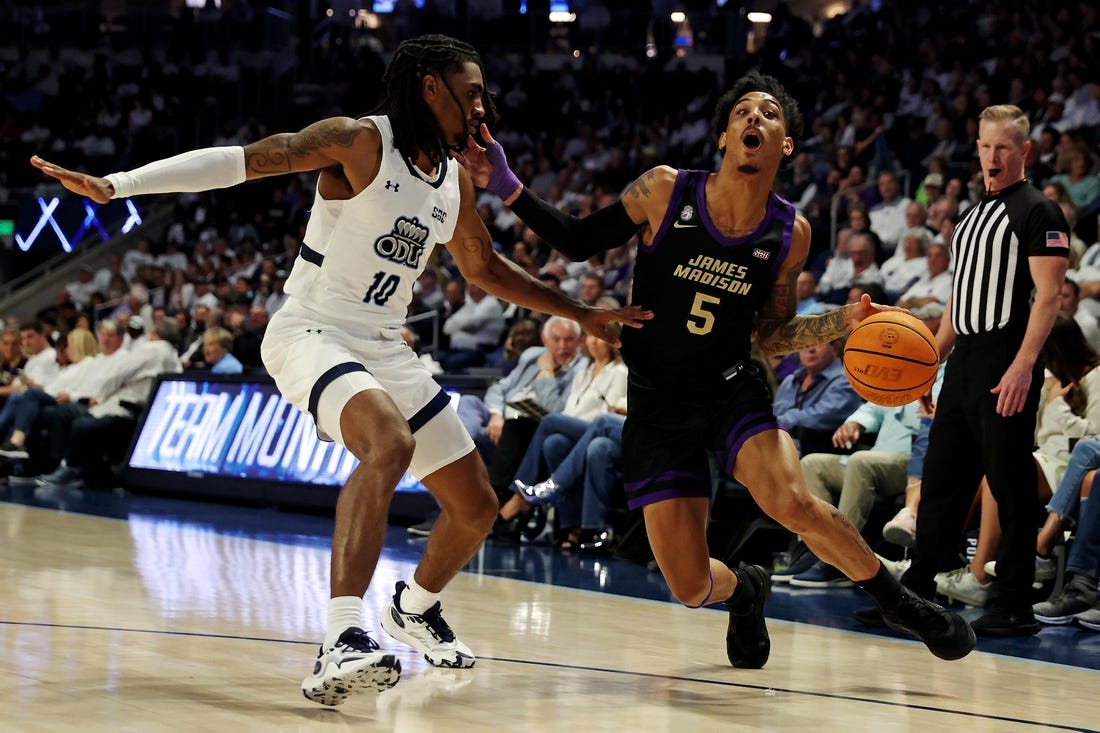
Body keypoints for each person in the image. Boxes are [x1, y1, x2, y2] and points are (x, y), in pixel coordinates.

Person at [32, 34, 649, 705]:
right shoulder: (360, 141)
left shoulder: (450, 181)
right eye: (471, 90)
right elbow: (244, 162)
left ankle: (413, 607)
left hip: (387, 344)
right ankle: (339, 637)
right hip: (312, 330)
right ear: (429, 86)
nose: (483, 104)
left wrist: (580, 310)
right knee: (391, 441)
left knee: (473, 506)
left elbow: (485, 268)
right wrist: (120, 186)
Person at [468, 72, 974, 666]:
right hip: (656, 403)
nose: (753, 118)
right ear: (724, 137)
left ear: (785, 144)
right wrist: (502, 182)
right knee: (688, 586)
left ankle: (896, 599)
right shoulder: (664, 190)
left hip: (732, 388)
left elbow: (771, 333)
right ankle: (746, 588)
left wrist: (844, 321)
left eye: (769, 114)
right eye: (742, 113)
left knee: (791, 501)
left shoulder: (791, 232)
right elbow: (579, 242)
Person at [898, 104, 1070, 636]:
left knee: (1010, 483)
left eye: (1003, 147)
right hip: (966, 360)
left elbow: (1049, 297)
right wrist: (930, 366)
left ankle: (1015, 601)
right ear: (975, 148)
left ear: (1025, 152)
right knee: (943, 478)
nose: (992, 157)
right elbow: (959, 301)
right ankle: (918, 592)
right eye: (985, 146)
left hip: (1007, 360)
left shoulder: (1040, 212)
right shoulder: (971, 217)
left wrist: (1024, 365)